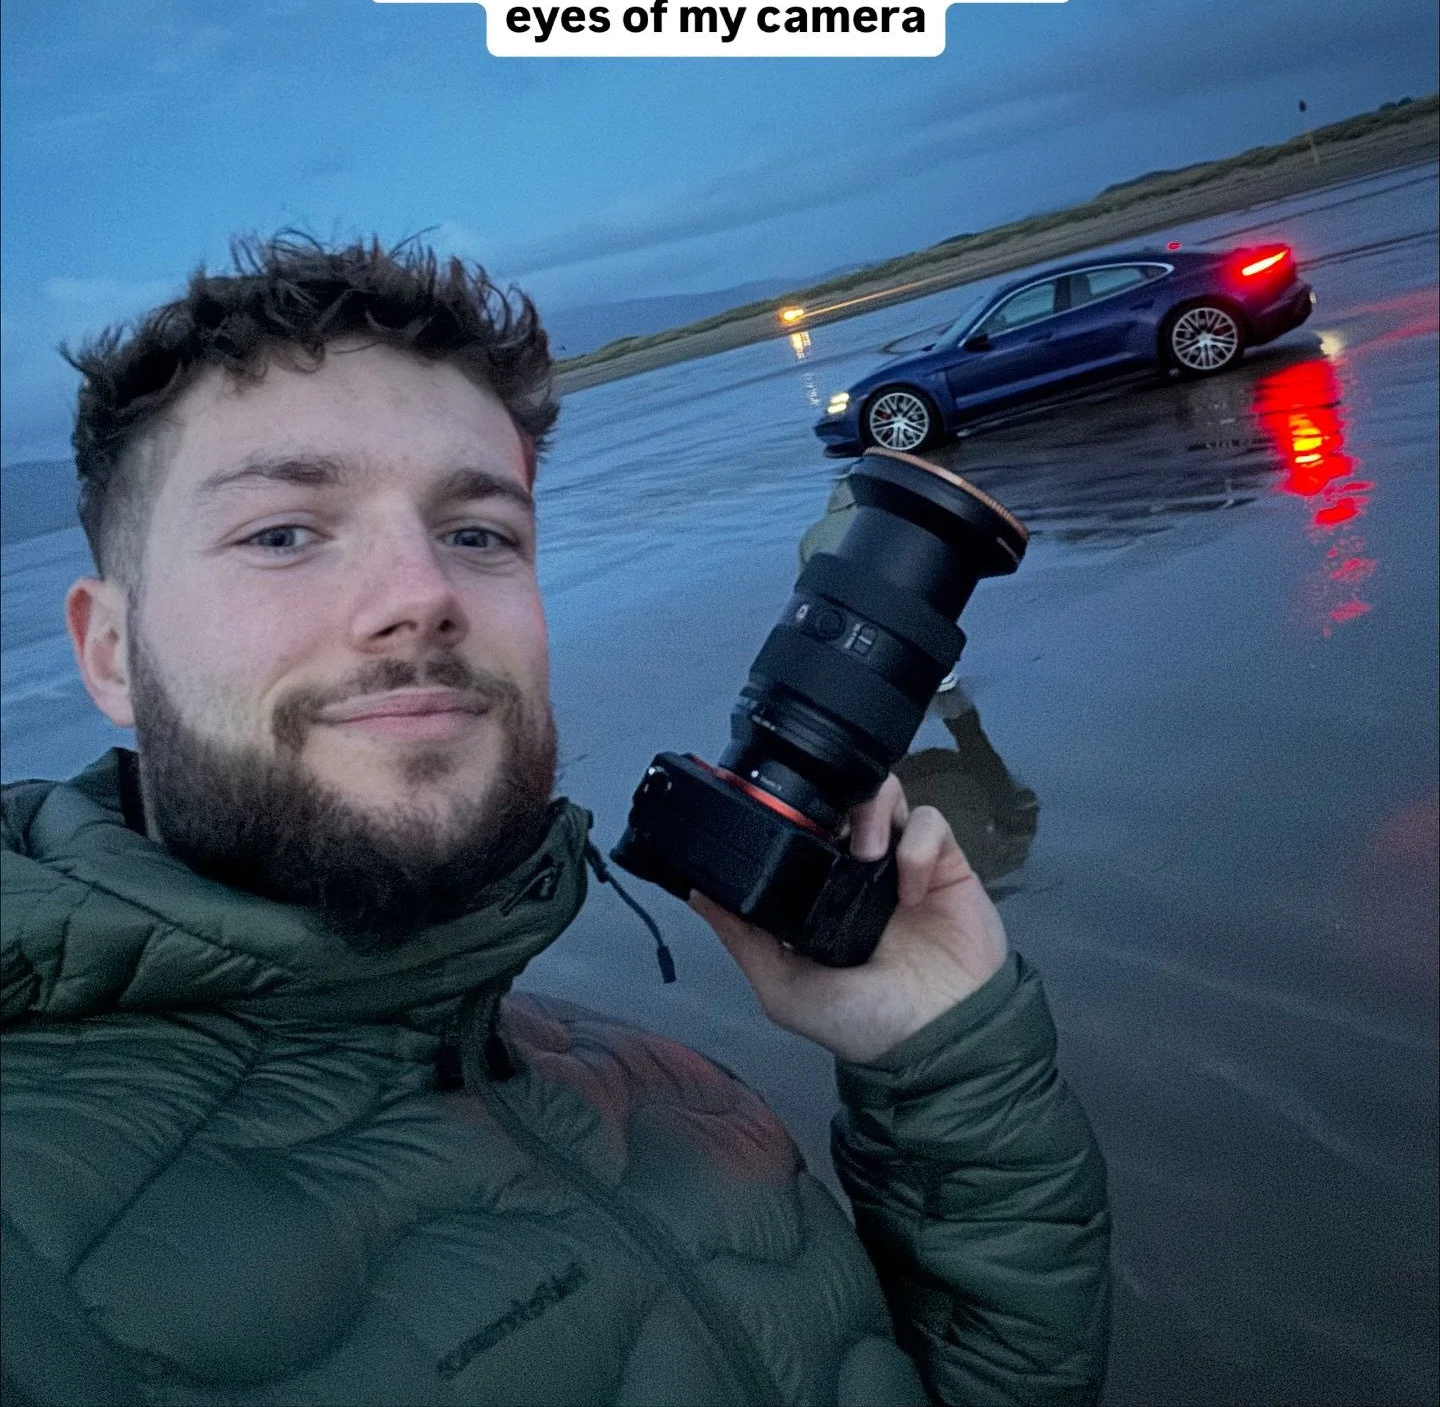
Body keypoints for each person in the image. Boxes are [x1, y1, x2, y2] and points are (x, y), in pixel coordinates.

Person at [1, 237, 1109, 1407]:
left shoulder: (663, 1087)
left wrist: (944, 1069)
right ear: (110, 652)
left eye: (478, 533)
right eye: (283, 532)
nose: (420, 595)